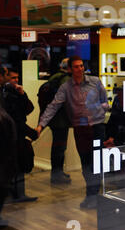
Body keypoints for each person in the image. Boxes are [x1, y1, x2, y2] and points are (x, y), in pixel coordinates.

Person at [36, 56, 109, 209]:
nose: (80, 69)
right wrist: (41, 124)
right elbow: (53, 106)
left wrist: (98, 109)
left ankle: (92, 195)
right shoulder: (66, 88)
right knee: (85, 163)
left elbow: (105, 102)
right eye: (76, 67)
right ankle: (92, 193)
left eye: (82, 66)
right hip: (80, 129)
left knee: (96, 162)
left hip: (96, 127)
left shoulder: (95, 82)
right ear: (69, 69)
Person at [1, 67, 38, 203]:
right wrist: (32, 132)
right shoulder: (5, 95)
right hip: (12, 136)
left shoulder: (18, 92)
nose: (16, 80)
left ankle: (18, 193)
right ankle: (15, 194)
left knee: (20, 164)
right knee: (15, 165)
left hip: (19, 134)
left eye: (17, 78)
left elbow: (29, 108)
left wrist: (22, 94)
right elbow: (15, 119)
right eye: (12, 78)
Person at [43, 58, 72, 184]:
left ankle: (57, 173)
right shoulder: (65, 79)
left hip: (54, 119)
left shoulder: (54, 77)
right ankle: (57, 175)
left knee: (57, 147)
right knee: (60, 148)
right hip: (61, 120)